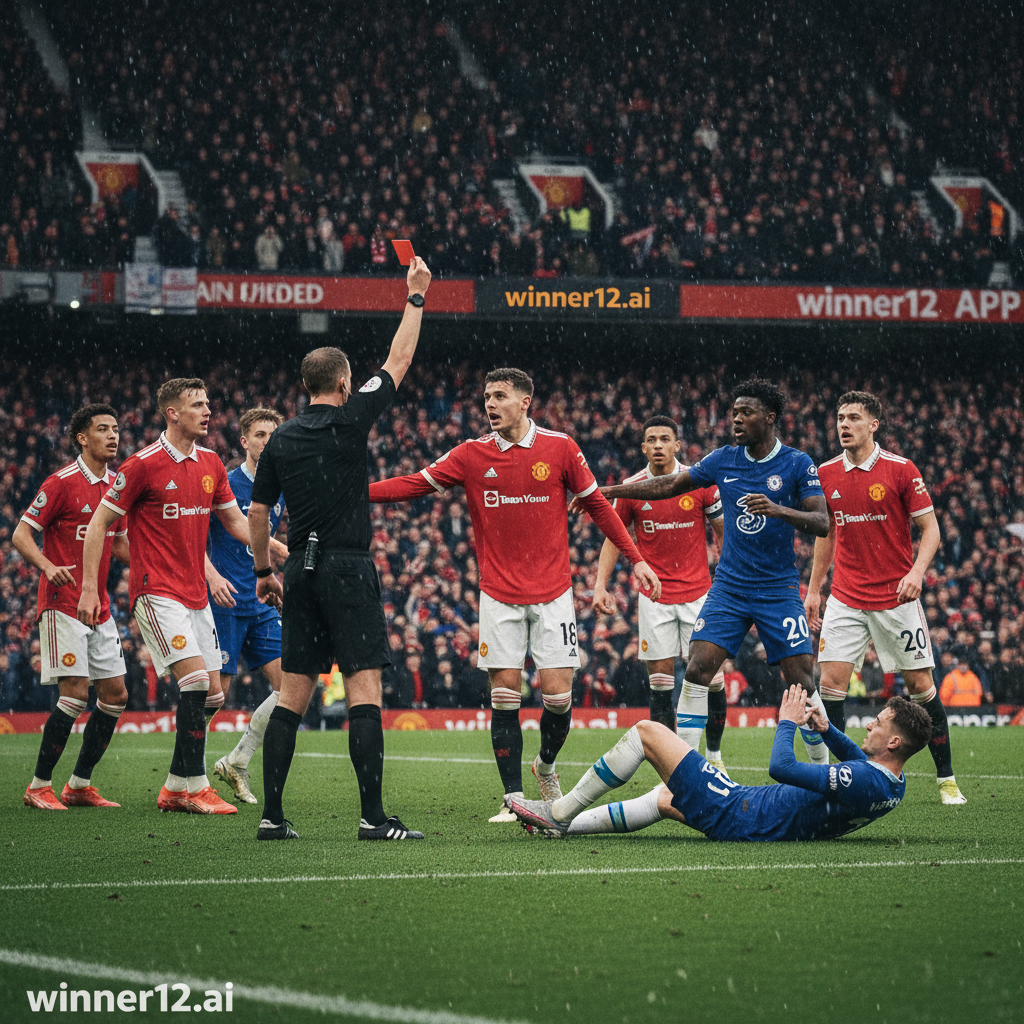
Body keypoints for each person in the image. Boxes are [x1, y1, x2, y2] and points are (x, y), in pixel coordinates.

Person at [370, 367, 661, 821]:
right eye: (486, 396)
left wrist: (636, 559)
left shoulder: (560, 447)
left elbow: (599, 507)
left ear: (525, 401)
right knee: (505, 695)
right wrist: (357, 494)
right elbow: (413, 484)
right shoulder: (470, 454)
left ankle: (544, 766)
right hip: (499, 596)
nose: (490, 404)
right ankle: (512, 798)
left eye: (500, 396)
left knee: (558, 698)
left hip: (553, 594)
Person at [248, 256, 433, 841]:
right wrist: (416, 296)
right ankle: (373, 818)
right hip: (348, 569)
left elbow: (258, 513)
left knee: (293, 694)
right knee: (363, 688)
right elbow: (399, 359)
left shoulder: (279, 437)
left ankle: (273, 817)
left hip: (298, 571)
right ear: (345, 383)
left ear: (307, 387)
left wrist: (262, 572)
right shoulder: (352, 418)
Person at [586, 379, 831, 764]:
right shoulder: (723, 459)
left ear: (769, 418)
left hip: (776, 588)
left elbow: (821, 521)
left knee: (801, 679)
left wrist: (778, 509)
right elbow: (670, 485)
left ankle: (822, 769)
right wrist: (614, 492)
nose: (735, 419)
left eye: (745, 412)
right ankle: (688, 771)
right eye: (733, 412)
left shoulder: (798, 464)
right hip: (729, 588)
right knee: (698, 670)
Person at [78, 379, 252, 815]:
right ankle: (194, 788)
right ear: (172, 413)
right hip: (156, 591)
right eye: (197, 404)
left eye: (208, 402)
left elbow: (236, 524)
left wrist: (282, 549)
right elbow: (100, 524)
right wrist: (88, 587)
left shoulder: (211, 461)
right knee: (194, 683)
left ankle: (175, 785)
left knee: (213, 694)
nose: (207, 410)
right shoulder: (141, 465)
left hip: (196, 594)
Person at [804, 391, 966, 805]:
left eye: (853, 418)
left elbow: (931, 531)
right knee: (831, 684)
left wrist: (916, 573)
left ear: (873, 424)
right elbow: (828, 534)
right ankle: (837, 777)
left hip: (896, 596)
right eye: (840, 417)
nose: (844, 424)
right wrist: (815, 589)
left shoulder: (900, 469)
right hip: (846, 596)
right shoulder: (825, 472)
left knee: (921, 687)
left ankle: (946, 778)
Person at [506, 686, 932, 841]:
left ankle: (560, 811)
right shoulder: (892, 785)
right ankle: (561, 828)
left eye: (879, 723)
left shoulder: (864, 781)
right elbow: (859, 763)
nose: (870, 725)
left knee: (647, 732)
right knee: (665, 798)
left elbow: (782, 768)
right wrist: (825, 730)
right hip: (756, 822)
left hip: (742, 810)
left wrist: (787, 724)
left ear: (893, 741)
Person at [13, 404, 130, 810]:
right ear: (82, 437)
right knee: (76, 694)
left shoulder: (118, 485)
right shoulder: (61, 482)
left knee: (115, 695)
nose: (113, 436)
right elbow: (21, 533)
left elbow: (118, 544)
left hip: (98, 605)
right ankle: (38, 786)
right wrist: (47, 566)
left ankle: (79, 784)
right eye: (103, 429)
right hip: (63, 603)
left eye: (115, 429)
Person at [591, 416, 725, 762]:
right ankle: (672, 763)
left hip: (699, 595)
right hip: (655, 598)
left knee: (711, 678)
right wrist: (600, 585)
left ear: (677, 445)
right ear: (643, 447)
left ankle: (714, 755)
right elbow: (614, 538)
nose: (658, 445)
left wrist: (727, 580)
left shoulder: (699, 481)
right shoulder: (632, 488)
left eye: (665, 439)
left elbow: (723, 533)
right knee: (661, 684)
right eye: (651, 439)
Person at [205, 408, 289, 804]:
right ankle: (184, 774)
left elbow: (258, 533)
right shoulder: (224, 483)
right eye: (260, 434)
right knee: (212, 696)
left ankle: (237, 761)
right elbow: (195, 537)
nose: (268, 441)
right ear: (244, 442)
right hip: (223, 600)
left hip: (259, 599)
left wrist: (273, 560)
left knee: (291, 687)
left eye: (274, 434)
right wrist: (210, 576)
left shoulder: (281, 486)